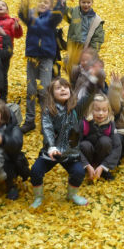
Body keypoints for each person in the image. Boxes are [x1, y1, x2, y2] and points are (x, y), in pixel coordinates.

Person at [29, 77, 96, 208]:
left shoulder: (77, 109)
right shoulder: (49, 110)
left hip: (70, 153)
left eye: (65, 87)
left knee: (78, 172)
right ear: (52, 93)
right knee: (36, 170)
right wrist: (51, 147)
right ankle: (38, 197)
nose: (63, 89)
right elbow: (47, 128)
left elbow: (88, 97)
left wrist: (93, 81)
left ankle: (72, 195)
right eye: (58, 88)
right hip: (52, 152)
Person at [18, 0, 64, 134]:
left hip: (46, 57)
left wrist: (60, 4)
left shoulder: (51, 18)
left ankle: (46, 121)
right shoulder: (32, 16)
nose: (42, 4)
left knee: (44, 90)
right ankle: (30, 120)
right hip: (32, 57)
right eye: (40, 1)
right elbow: (23, 15)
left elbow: (58, 16)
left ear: (50, 6)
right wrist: (24, 6)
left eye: (46, 2)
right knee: (31, 90)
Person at [78, 94, 121, 181]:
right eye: (97, 110)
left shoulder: (110, 124)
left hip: (102, 157)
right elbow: (74, 145)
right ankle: (87, 169)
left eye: (104, 110)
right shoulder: (83, 123)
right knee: (84, 145)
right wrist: (86, 164)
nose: (101, 113)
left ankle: (103, 170)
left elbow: (117, 146)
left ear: (108, 111)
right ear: (90, 110)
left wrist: (103, 165)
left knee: (105, 141)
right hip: (87, 156)